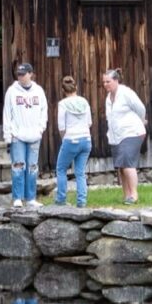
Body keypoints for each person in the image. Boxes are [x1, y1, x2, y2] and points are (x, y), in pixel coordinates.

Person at [1, 60, 49, 208]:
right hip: (18, 135)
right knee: (18, 165)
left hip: (34, 134)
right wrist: (8, 135)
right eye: (19, 75)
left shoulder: (39, 91)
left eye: (23, 74)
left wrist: (41, 128)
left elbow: (44, 111)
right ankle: (17, 197)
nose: (20, 77)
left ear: (31, 74)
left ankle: (31, 198)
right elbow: (7, 113)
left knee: (32, 166)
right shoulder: (12, 91)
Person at [102, 69, 148, 205]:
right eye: (104, 82)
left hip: (132, 132)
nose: (105, 84)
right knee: (121, 166)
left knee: (128, 163)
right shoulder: (108, 98)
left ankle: (134, 194)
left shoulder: (126, 93)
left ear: (116, 81)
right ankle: (126, 194)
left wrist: (141, 121)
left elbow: (141, 108)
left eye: (108, 81)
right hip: (116, 135)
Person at [53, 74, 92, 208]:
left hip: (71, 139)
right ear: (76, 87)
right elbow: (89, 122)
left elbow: (61, 127)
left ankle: (61, 199)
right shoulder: (84, 101)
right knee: (80, 172)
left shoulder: (63, 104)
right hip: (86, 139)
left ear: (63, 90)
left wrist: (65, 139)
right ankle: (82, 201)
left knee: (61, 169)